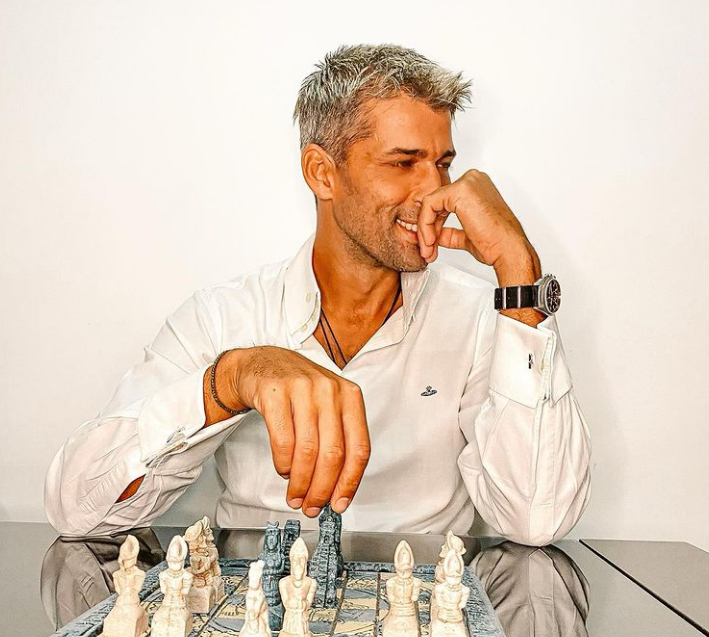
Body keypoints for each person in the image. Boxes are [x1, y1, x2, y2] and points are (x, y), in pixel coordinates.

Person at [44, 43, 591, 545]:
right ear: (322, 173)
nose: (435, 192)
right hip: (256, 597)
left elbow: (537, 520)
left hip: (424, 597)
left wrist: (519, 272)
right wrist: (230, 381)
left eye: (443, 164)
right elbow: (78, 510)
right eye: (403, 163)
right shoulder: (222, 317)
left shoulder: (483, 318)